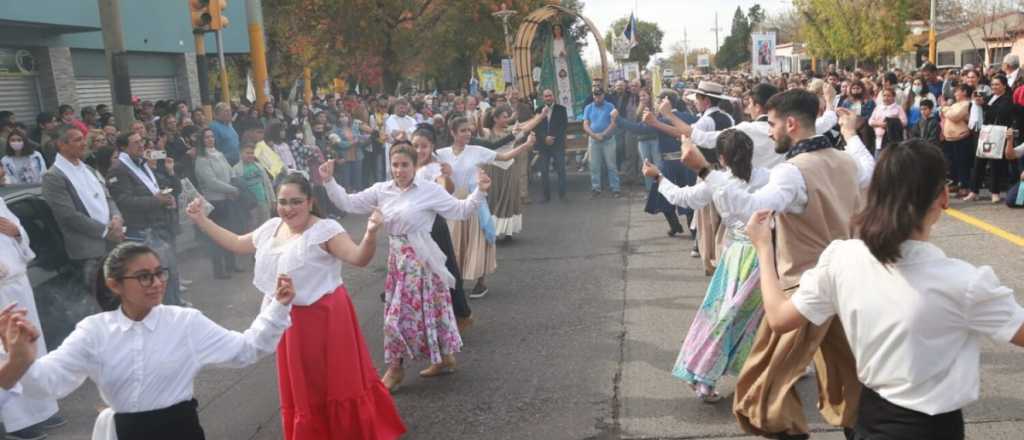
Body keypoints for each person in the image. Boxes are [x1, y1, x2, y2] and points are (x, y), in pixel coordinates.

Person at [748, 139, 1024, 440]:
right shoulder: (965, 283)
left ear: (874, 195)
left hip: (868, 417)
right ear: (943, 198)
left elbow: (779, 318)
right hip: (929, 429)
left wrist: (764, 247)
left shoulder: (842, 258)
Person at [680, 90, 874, 439]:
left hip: (804, 291)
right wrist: (850, 134)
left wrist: (705, 171)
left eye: (771, 124)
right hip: (846, 286)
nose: (769, 132)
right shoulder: (846, 161)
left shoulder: (792, 172)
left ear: (791, 123)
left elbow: (751, 208)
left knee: (762, 394)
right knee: (850, 382)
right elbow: (868, 167)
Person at [187, 173, 406, 440]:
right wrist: (202, 220)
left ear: (310, 202)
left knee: (334, 382)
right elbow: (236, 243)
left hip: (325, 319)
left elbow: (359, 258)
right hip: (287, 320)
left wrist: (370, 234)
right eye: (282, 202)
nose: (288, 208)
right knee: (304, 386)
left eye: (296, 202)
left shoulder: (325, 230)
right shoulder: (272, 227)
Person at [11, 242, 294, 440]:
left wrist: (278, 307)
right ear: (114, 284)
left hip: (180, 432)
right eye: (144, 277)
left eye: (159, 273)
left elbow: (245, 350)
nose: (157, 283)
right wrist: (20, 358)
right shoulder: (94, 331)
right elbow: (48, 381)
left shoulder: (185, 322)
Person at [319, 142, 491, 391]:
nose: (399, 170)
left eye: (405, 165)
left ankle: (395, 369)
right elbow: (348, 203)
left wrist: (480, 192)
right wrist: (328, 181)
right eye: (395, 165)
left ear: (414, 165)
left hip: (422, 261)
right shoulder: (382, 190)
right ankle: (444, 358)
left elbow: (460, 210)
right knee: (426, 311)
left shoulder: (429, 190)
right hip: (397, 261)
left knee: (397, 317)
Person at [643, 130, 768, 403]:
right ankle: (711, 374)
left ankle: (705, 372)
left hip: (736, 255)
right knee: (749, 319)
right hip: (764, 255)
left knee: (723, 317)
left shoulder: (718, 181)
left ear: (722, 158)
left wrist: (658, 178)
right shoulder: (768, 177)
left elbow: (682, 197)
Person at [436, 116, 535, 299]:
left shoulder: (477, 151)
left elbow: (504, 156)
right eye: (463, 130)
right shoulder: (441, 154)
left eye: (469, 130)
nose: (468, 133)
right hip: (452, 206)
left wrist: (526, 145)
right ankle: (457, 281)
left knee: (478, 242)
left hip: (474, 204)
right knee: (455, 245)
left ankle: (481, 282)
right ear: (452, 133)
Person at [0, 198, 64, 439]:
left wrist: (17, 233)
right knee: (9, 352)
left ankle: (43, 409)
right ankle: (18, 421)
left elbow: (18, 232)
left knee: (33, 347)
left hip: (19, 284)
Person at [106, 132, 185, 307]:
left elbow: (154, 190)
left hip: (159, 226)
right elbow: (124, 202)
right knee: (157, 275)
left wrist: (166, 198)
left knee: (170, 271)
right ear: (123, 148)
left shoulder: (142, 163)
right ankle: (165, 310)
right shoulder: (118, 169)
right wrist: (157, 201)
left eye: (141, 141)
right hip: (143, 231)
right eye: (135, 143)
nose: (141, 145)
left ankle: (175, 306)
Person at [42, 126, 125, 290]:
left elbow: (107, 198)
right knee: (100, 298)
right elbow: (68, 215)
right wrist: (105, 232)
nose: (84, 144)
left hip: (112, 242)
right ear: (62, 145)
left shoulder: (88, 169)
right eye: (78, 140)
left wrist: (116, 219)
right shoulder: (53, 177)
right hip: (89, 252)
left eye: (83, 139)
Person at [479, 105, 544, 239]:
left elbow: (526, 127)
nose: (507, 119)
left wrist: (541, 116)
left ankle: (507, 231)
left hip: (509, 169)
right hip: (493, 170)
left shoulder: (510, 131)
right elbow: (480, 130)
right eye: (504, 117)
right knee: (493, 199)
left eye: (508, 117)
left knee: (509, 199)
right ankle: (492, 230)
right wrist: (478, 118)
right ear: (495, 119)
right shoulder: (488, 132)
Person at [193, 127, 242, 279]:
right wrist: (231, 189)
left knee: (229, 232)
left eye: (212, 136)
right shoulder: (202, 159)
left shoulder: (219, 154)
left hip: (227, 198)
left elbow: (230, 171)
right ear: (202, 141)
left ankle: (231, 264)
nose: (210, 139)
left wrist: (233, 185)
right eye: (207, 137)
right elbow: (211, 182)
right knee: (216, 237)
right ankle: (219, 269)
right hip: (214, 201)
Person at [966, 75, 1013, 203]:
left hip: (998, 134)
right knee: (978, 162)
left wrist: (984, 105)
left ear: (1004, 86)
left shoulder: (1007, 99)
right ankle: (974, 191)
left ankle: (995, 192)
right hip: (985, 132)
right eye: (992, 84)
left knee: (995, 164)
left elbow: (1000, 112)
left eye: (997, 84)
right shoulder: (990, 97)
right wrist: (978, 101)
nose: (994, 87)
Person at [582, 87, 620, 197]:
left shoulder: (610, 106)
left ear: (603, 95)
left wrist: (603, 134)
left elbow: (613, 123)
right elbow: (585, 124)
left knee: (611, 165)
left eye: (599, 95)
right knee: (594, 165)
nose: (597, 97)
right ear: (593, 95)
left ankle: (615, 188)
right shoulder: (588, 107)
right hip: (594, 140)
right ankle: (596, 188)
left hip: (608, 139)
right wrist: (593, 135)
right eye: (595, 95)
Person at [940, 83, 975, 198]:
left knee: (962, 163)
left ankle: (965, 186)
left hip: (961, 138)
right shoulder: (955, 104)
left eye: (957, 91)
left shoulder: (967, 104)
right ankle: (956, 183)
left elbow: (954, 116)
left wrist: (944, 107)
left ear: (964, 92)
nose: (955, 93)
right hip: (950, 138)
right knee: (953, 163)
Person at [534, 89, 569, 202]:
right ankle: (546, 196)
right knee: (544, 171)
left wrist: (552, 137)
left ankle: (562, 195)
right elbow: (536, 127)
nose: (548, 98)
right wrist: (545, 138)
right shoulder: (538, 110)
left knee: (561, 170)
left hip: (557, 144)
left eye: (550, 96)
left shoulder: (561, 109)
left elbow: (563, 126)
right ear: (543, 98)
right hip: (543, 145)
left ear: (553, 96)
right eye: (546, 96)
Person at [232, 143, 275, 229]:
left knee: (266, 227)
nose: (250, 155)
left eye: (252, 153)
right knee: (253, 227)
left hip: (263, 201)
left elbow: (267, 183)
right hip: (249, 206)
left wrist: (273, 199)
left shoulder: (259, 166)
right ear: (241, 154)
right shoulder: (236, 169)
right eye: (247, 153)